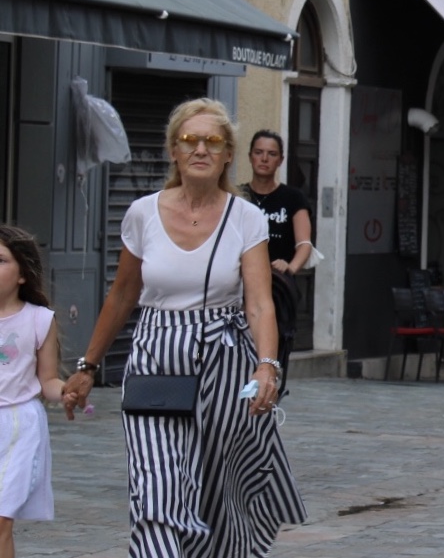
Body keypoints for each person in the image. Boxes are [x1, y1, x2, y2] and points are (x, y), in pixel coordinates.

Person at [60, 97, 306, 555]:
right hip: (157, 355)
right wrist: (88, 366)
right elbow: (122, 295)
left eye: (212, 141)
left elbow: (258, 302)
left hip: (226, 360)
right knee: (156, 487)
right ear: (173, 150)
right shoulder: (142, 213)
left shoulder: (246, 216)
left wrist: (267, 366)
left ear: (229, 154)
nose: (200, 149)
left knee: (219, 494)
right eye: (189, 140)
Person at [0, 226, 64, 554]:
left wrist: (67, 392)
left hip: (18, 427)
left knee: (0, 520)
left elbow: (48, 381)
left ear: (22, 273)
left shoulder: (39, 320)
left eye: (0, 260)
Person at [242, 130, 313, 391]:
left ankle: (270, 382)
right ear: (250, 157)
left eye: (271, 154)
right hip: (242, 286)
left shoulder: (293, 198)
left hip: (277, 286)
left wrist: (291, 267)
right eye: (259, 153)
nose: (264, 159)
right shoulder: (239, 197)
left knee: (275, 337)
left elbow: (304, 243)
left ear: (280, 160)